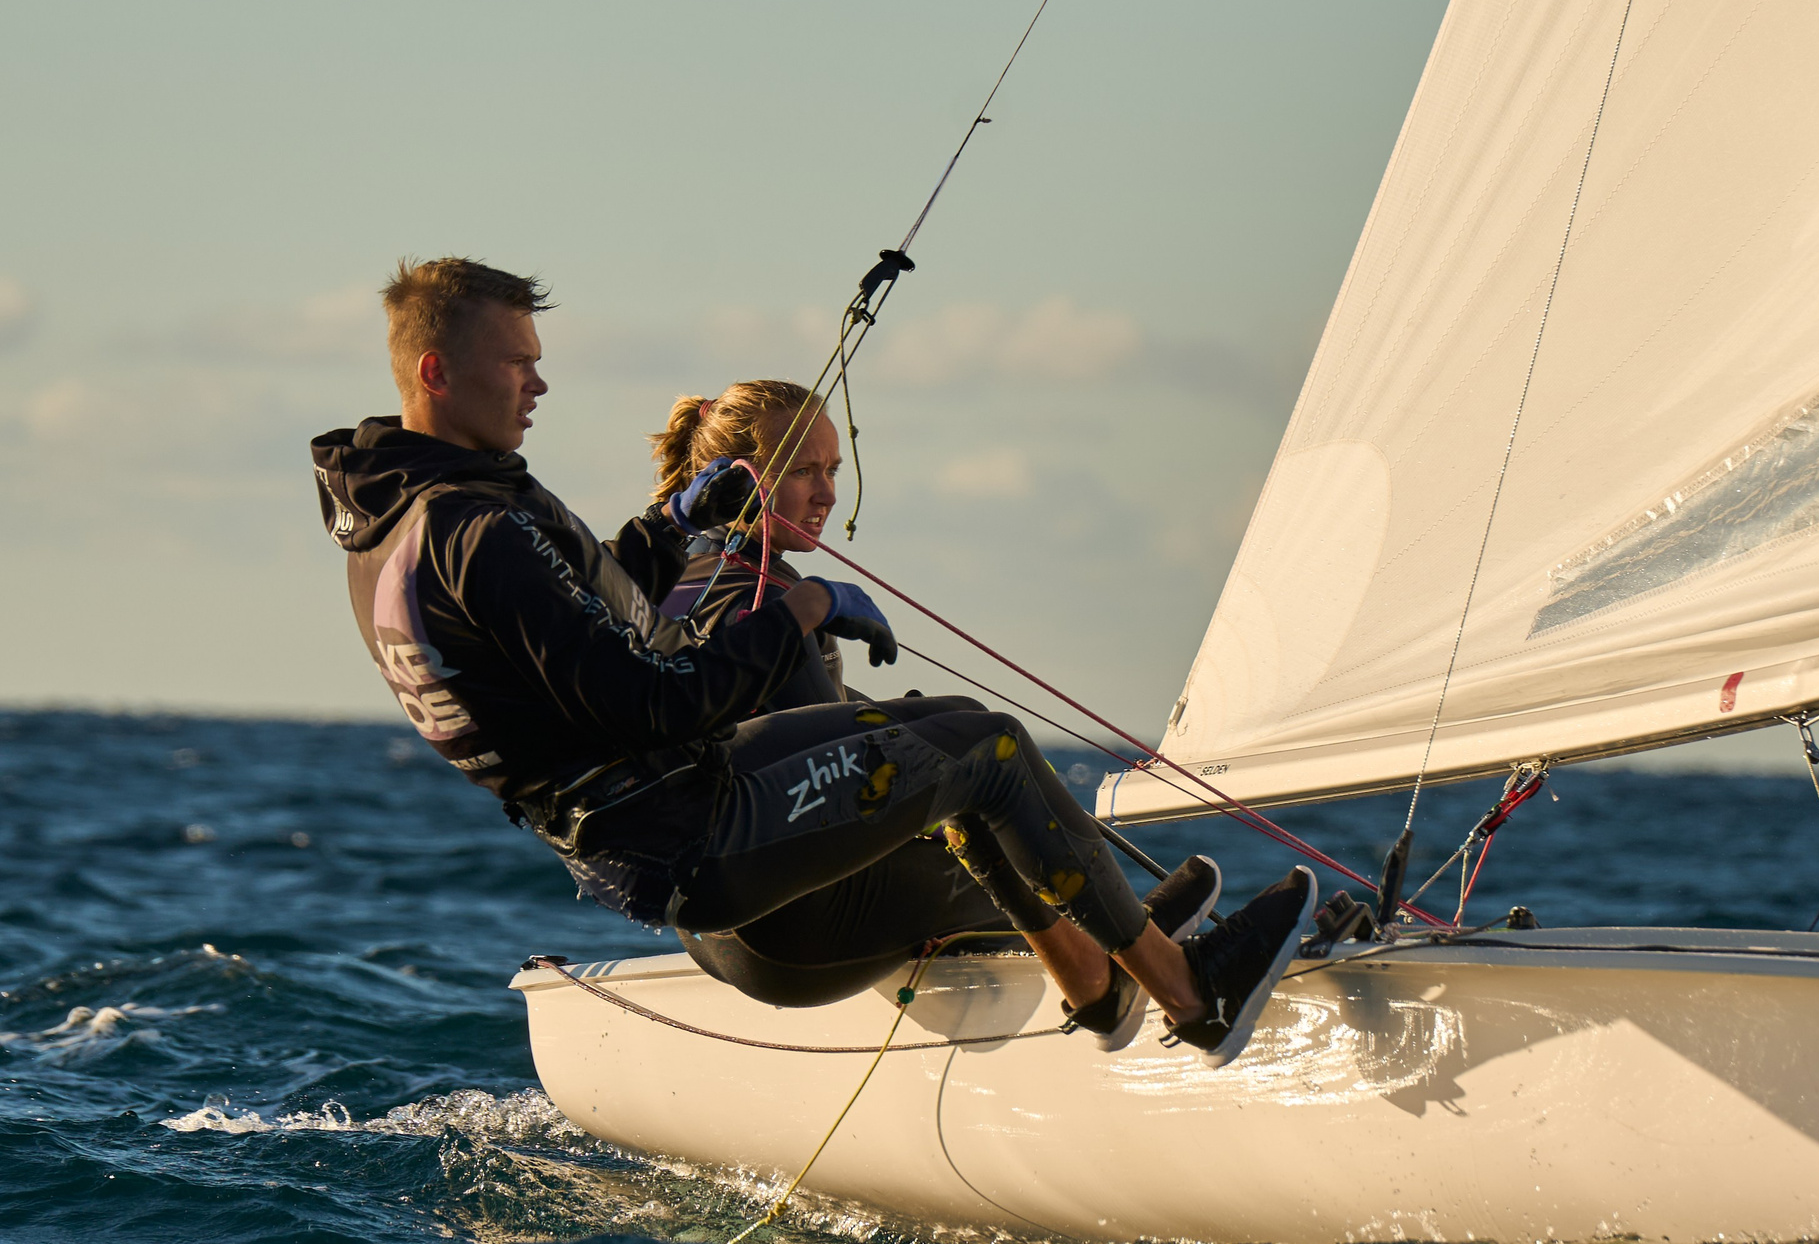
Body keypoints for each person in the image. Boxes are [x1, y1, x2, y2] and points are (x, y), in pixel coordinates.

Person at [311, 257, 1315, 1066]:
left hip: (658, 829)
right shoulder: (474, 530)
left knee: (959, 730)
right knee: (988, 756)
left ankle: (1102, 972)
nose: (539, 383)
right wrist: (802, 606)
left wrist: (670, 524)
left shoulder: (404, 521)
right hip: (690, 830)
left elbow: (589, 614)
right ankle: (1189, 993)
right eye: (516, 362)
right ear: (435, 373)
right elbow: (652, 701)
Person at [644, 378, 1223, 1008]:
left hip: (715, 932)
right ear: (738, 479)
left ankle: (1109, 951)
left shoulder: (677, 583)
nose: (828, 493)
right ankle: (1136, 972)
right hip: (801, 929)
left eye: (832, 470)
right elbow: (827, 790)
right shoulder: (765, 601)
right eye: (803, 471)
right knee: (989, 765)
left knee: (957, 727)